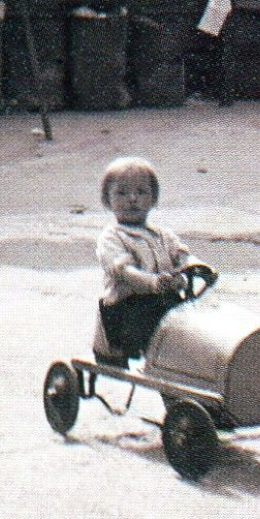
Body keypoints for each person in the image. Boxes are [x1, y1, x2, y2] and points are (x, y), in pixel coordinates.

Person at [93, 156, 214, 364]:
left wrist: (198, 267)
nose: (132, 199)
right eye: (121, 193)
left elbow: (181, 255)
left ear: (153, 198)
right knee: (161, 327)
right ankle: (169, 364)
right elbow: (126, 272)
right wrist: (153, 282)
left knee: (193, 317)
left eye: (141, 192)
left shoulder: (162, 235)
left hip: (162, 300)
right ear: (107, 200)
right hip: (128, 307)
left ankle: (196, 363)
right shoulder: (112, 237)